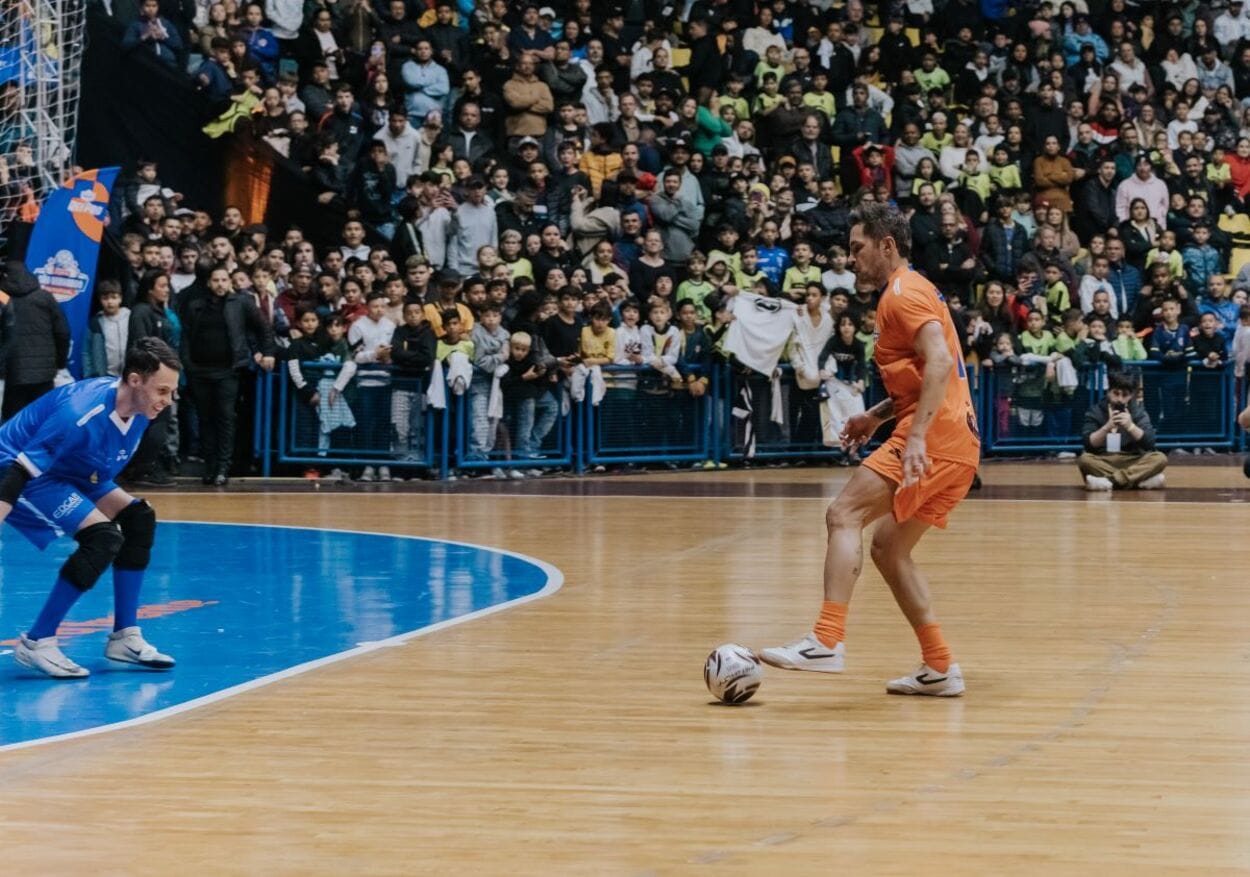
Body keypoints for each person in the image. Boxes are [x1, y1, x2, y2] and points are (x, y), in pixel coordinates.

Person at [760, 204, 979, 697]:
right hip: (961, 444)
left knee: (843, 515)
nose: (851, 258)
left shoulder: (902, 294)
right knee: (888, 548)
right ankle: (940, 666)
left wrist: (916, 436)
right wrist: (874, 417)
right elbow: (922, 374)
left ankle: (825, 639)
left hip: (935, 438)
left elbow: (941, 363)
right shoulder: (908, 292)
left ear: (887, 245)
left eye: (857, 248)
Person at [0, 338, 181, 677]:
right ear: (134, 380)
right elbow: (22, 469)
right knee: (102, 538)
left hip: (74, 467)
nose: (167, 401)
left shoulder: (141, 411)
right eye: (162, 391)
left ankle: (124, 637)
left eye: (171, 392)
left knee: (139, 518)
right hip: (18, 469)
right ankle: (37, 642)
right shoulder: (80, 413)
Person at [1077, 370, 1167, 491]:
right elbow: (1088, 444)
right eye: (1116, 393)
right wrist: (1107, 427)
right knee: (1084, 460)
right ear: (1108, 391)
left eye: (1125, 395)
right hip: (1104, 460)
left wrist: (1130, 426)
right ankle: (1137, 481)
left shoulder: (1138, 411)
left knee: (1160, 458)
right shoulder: (1095, 411)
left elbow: (1149, 443)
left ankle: (1109, 482)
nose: (1119, 399)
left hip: (1133, 459)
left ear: (1131, 396)